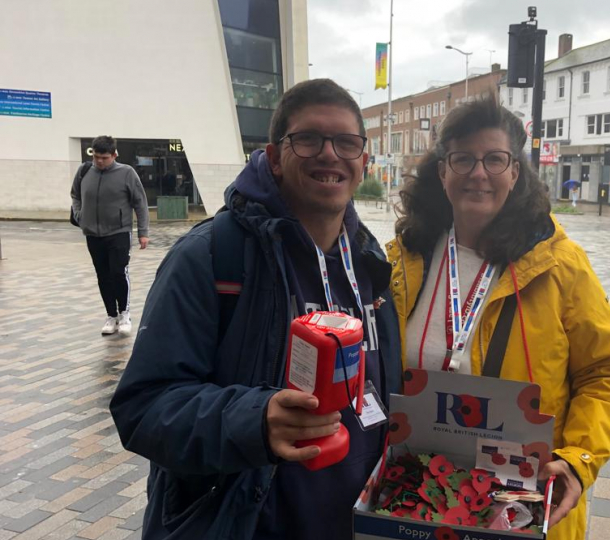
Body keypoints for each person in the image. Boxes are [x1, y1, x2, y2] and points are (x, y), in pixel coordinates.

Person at [109, 79, 402, 540]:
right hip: (248, 523)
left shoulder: (370, 264)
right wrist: (256, 420)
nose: (329, 154)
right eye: (307, 139)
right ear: (274, 157)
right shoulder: (211, 256)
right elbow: (142, 408)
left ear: (364, 161)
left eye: (346, 142)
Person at [388, 98, 610, 539]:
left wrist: (580, 459)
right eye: (462, 159)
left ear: (515, 172)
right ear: (442, 171)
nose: (478, 173)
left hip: (520, 504)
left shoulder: (559, 265)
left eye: (494, 159)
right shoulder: (405, 260)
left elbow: (607, 373)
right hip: (418, 499)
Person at [70, 135, 149, 336]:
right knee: (102, 274)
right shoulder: (84, 171)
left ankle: (124, 314)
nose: (99, 161)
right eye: (96, 157)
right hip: (93, 233)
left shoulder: (127, 173)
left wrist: (143, 232)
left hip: (119, 231)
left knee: (118, 272)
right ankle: (111, 315)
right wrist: (80, 216)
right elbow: (75, 195)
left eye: (104, 157)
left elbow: (140, 203)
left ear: (114, 155)